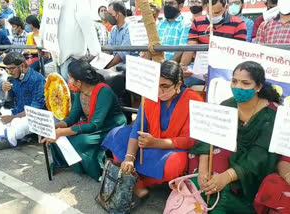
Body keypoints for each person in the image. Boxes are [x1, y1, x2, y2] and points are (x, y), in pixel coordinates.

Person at [102, 60, 204, 200]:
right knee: (117, 135)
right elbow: (138, 127)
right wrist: (129, 158)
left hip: (171, 149)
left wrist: (155, 143)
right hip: (147, 144)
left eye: (164, 86)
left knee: (176, 163)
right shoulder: (150, 96)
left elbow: (190, 141)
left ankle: (138, 183)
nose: (159, 91)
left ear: (178, 85)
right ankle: (135, 179)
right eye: (156, 85)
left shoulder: (194, 100)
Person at [188, 61, 281, 213]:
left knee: (223, 189)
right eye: (234, 81)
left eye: (245, 83)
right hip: (227, 159)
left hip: (252, 168)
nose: (238, 87)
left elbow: (260, 155)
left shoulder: (270, 115)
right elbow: (207, 137)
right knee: (205, 172)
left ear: (258, 87)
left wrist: (227, 177)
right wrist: (203, 171)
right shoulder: (227, 105)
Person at [41, 59, 127, 181]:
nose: (68, 81)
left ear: (79, 82)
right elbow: (73, 117)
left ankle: (95, 171)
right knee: (59, 136)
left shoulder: (104, 92)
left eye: (70, 78)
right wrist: (57, 126)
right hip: (93, 124)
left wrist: (62, 131)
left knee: (80, 140)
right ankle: (67, 163)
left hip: (110, 126)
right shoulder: (79, 91)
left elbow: (95, 125)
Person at [0, 52, 45, 150]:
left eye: (11, 68)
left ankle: (10, 140)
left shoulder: (37, 79)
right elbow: (9, 101)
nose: (9, 71)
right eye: (7, 69)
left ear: (22, 66)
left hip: (34, 116)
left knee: (20, 125)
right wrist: (7, 90)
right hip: (16, 111)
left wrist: (13, 117)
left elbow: (34, 109)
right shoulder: (13, 78)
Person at [179, 0, 247, 87]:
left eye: (217, 12)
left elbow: (237, 54)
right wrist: (183, 66)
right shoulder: (197, 22)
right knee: (185, 82)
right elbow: (191, 47)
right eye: (209, 12)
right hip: (200, 70)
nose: (213, 15)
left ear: (226, 8)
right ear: (204, 8)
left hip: (225, 70)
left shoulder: (238, 24)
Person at [54, 0, 100, 82]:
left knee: (65, 92)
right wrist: (96, 51)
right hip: (72, 60)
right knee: (74, 91)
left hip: (59, 57)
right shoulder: (79, 2)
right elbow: (86, 23)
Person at [105, 1, 137, 69]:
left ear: (118, 14)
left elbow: (122, 54)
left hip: (129, 65)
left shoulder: (130, 28)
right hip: (117, 64)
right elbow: (109, 48)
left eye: (110, 14)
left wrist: (108, 67)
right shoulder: (114, 29)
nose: (108, 17)